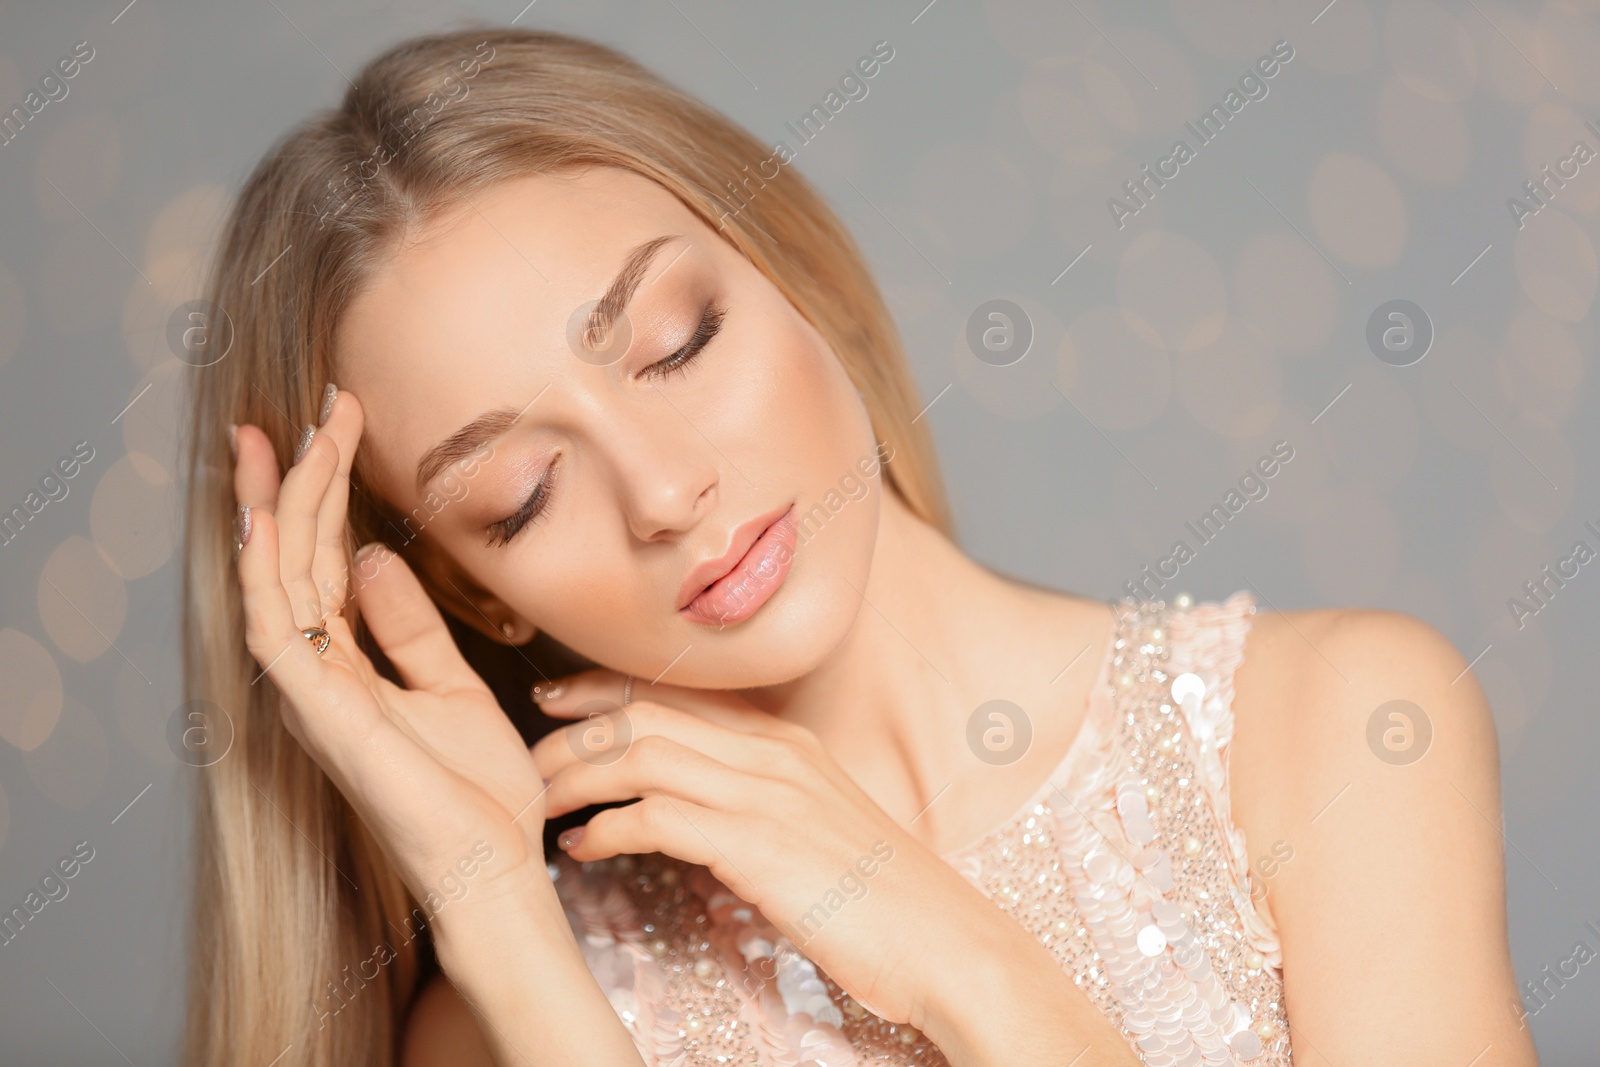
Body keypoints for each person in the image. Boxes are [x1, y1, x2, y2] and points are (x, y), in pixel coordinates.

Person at [181, 25, 1537, 1067]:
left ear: (800, 276)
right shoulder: (513, 1010)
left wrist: (958, 956)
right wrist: (498, 923)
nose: (664, 491)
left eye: (676, 341)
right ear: (477, 587)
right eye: (523, 494)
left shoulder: (1335, 729)